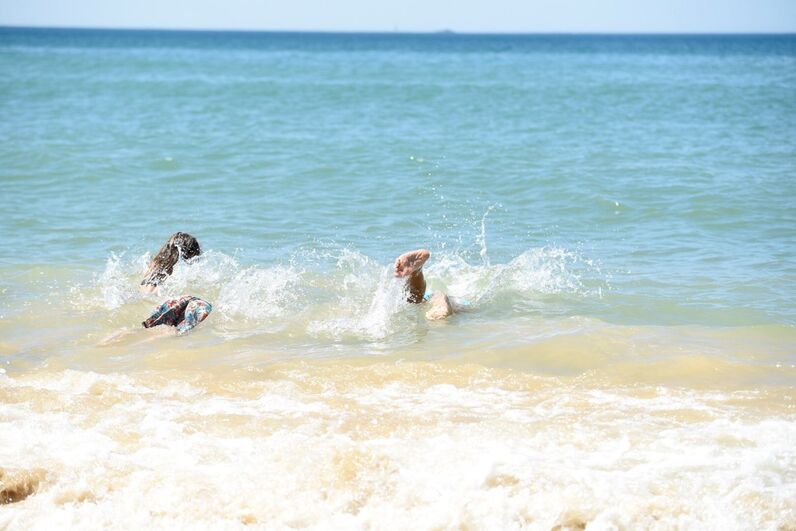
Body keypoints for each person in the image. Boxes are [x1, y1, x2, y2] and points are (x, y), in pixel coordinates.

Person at [394, 248, 454, 320]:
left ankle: (416, 271)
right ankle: (416, 271)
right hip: (439, 298)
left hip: (431, 297)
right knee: (418, 299)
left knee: (413, 299)